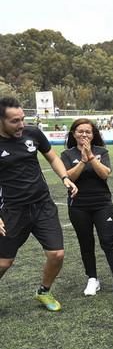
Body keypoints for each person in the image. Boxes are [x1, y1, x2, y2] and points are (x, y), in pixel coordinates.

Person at [0, 97, 77, 311]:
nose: (21, 125)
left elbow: (52, 158)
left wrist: (65, 177)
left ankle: (43, 291)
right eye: (15, 121)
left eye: (23, 119)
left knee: (57, 254)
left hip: (42, 205)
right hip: (11, 210)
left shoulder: (32, 133)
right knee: (4, 263)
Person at [61, 118, 113, 297]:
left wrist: (90, 156)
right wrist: (82, 161)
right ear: (74, 134)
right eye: (80, 131)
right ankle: (92, 279)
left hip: (102, 204)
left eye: (88, 132)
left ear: (93, 134)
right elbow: (69, 178)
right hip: (78, 206)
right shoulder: (67, 154)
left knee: (108, 241)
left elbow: (105, 174)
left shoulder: (101, 151)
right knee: (86, 242)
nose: (84, 135)